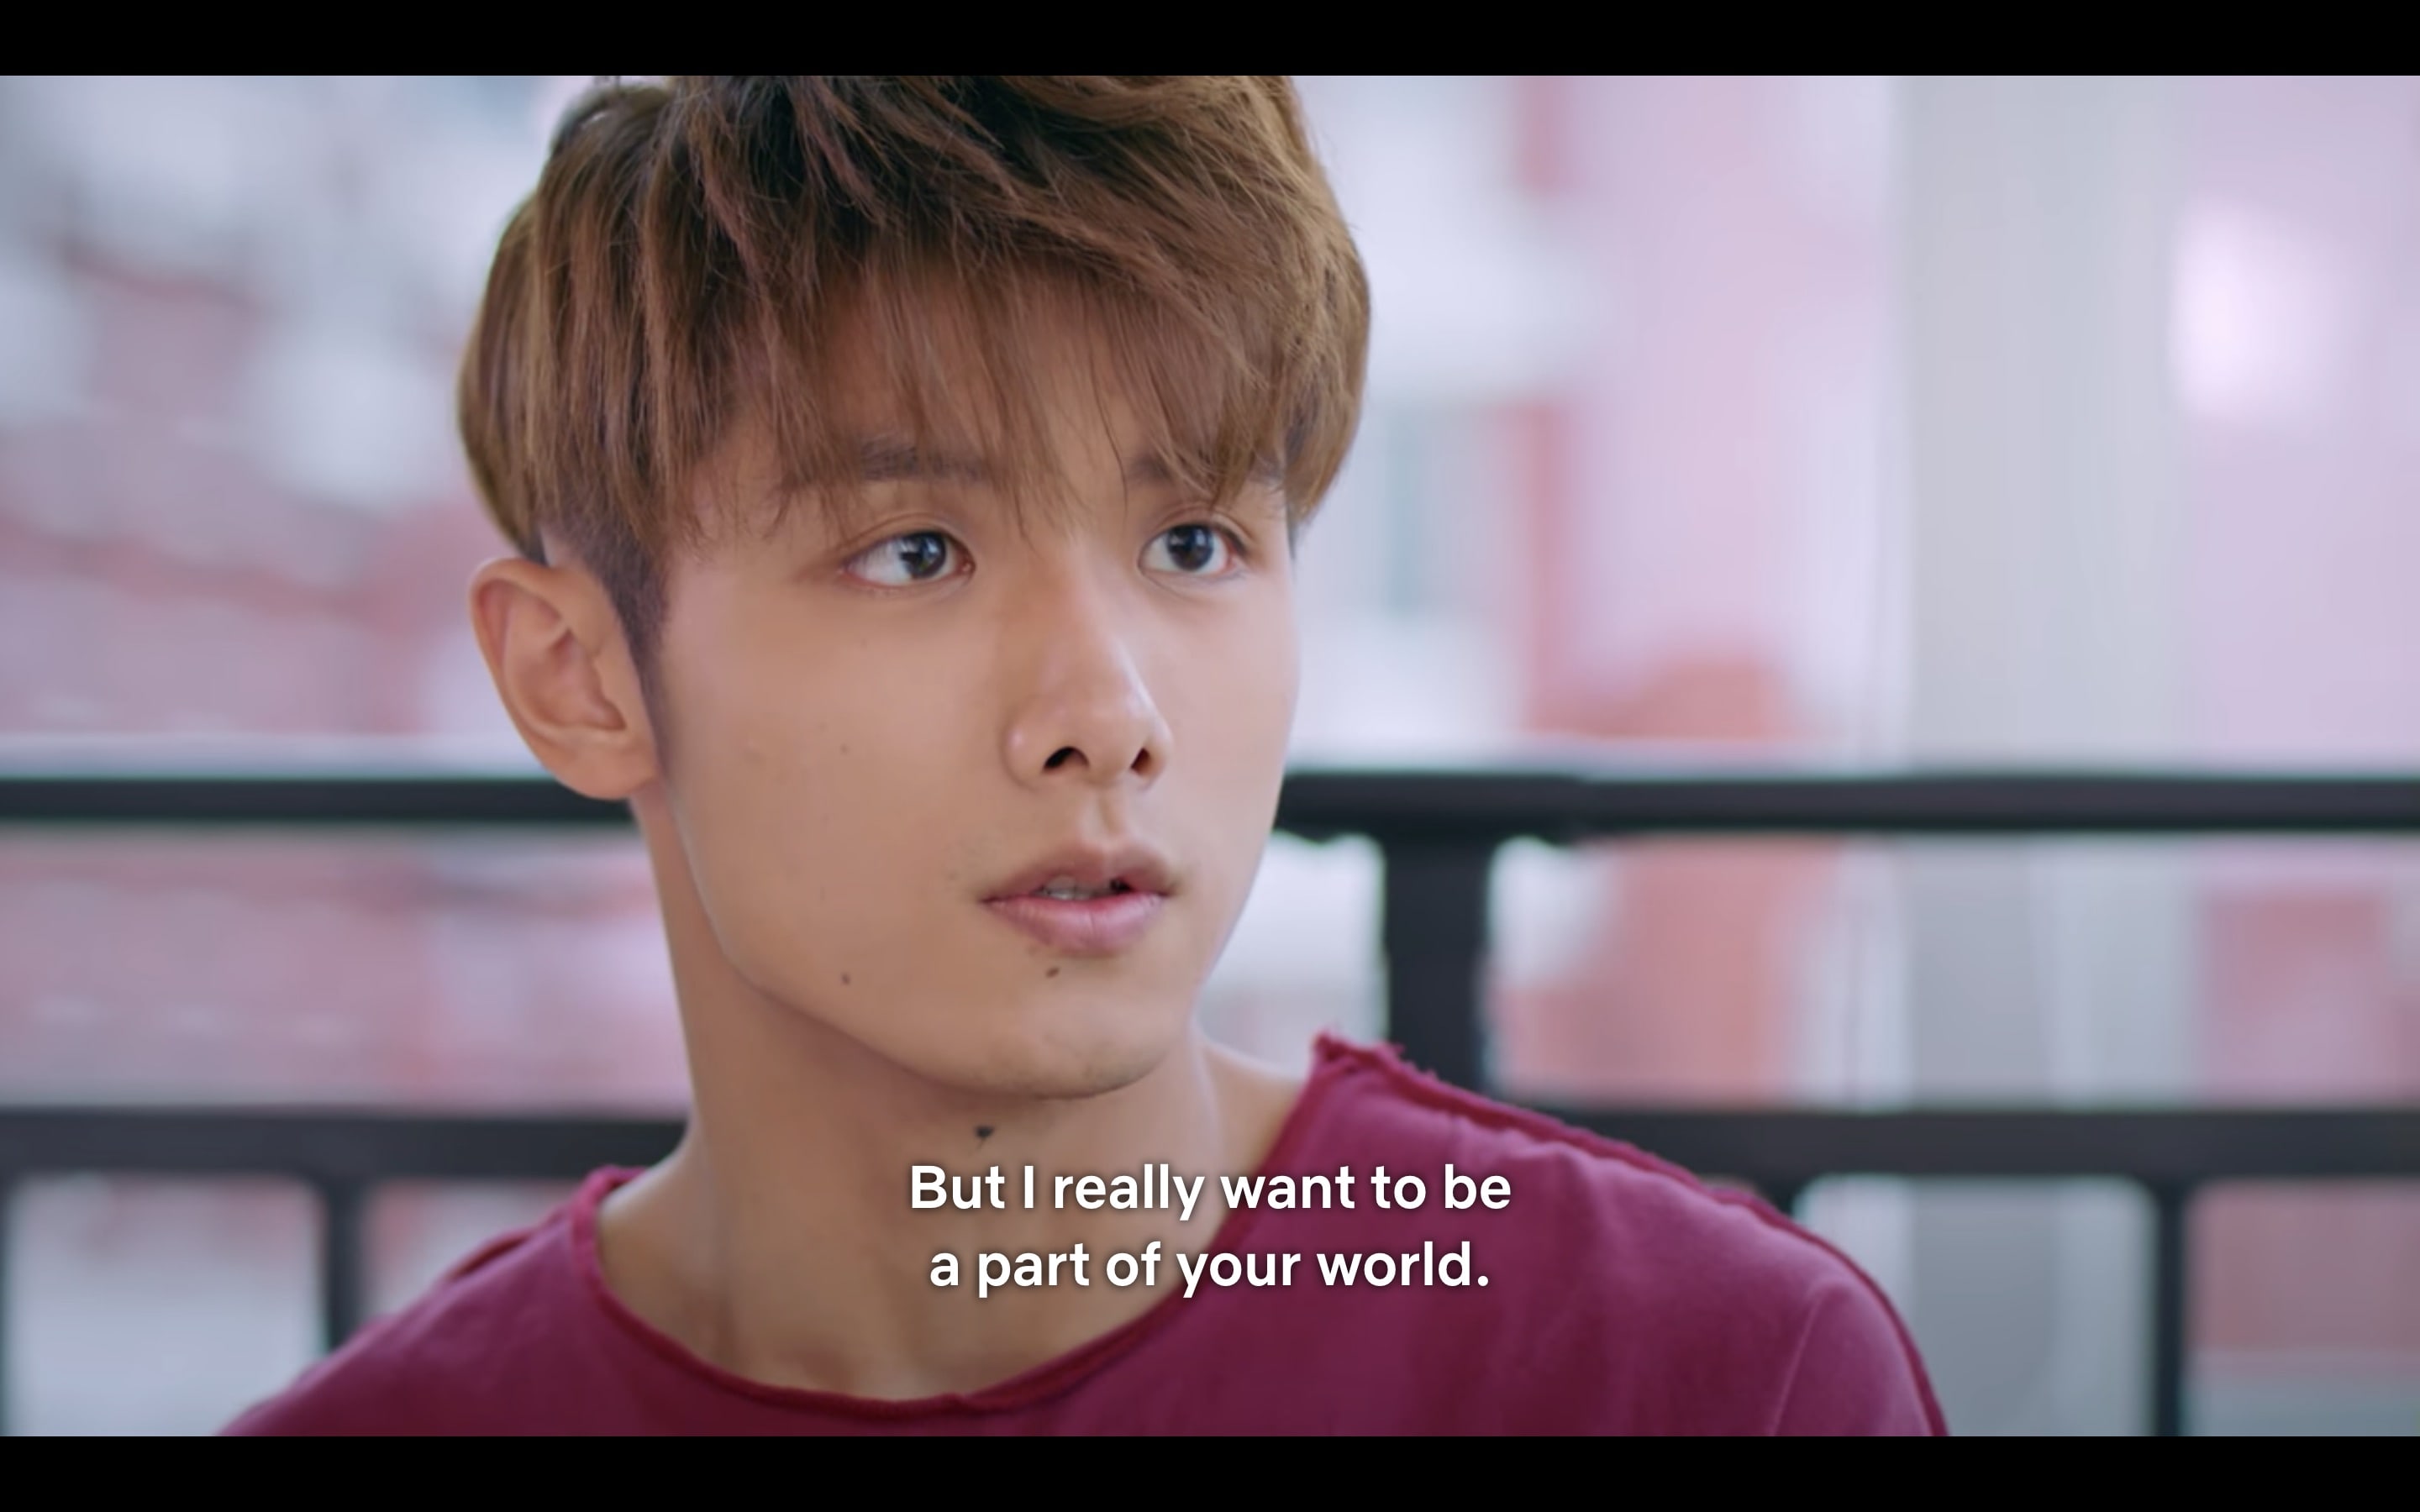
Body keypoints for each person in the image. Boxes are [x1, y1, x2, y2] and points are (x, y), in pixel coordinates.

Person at [229, 76, 1942, 1435]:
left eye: (1194, 543)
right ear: (582, 679)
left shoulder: (1704, 1377)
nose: (1108, 713)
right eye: (915, 553)